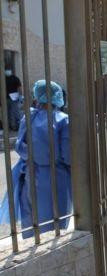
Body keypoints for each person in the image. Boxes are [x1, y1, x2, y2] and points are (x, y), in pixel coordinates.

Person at [0, 80, 72, 238]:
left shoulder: (29, 117)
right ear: (57, 96)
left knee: (31, 222)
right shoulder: (62, 120)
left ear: (37, 96)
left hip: (29, 176)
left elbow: (20, 147)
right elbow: (67, 155)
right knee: (55, 226)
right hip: (56, 178)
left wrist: (34, 157)